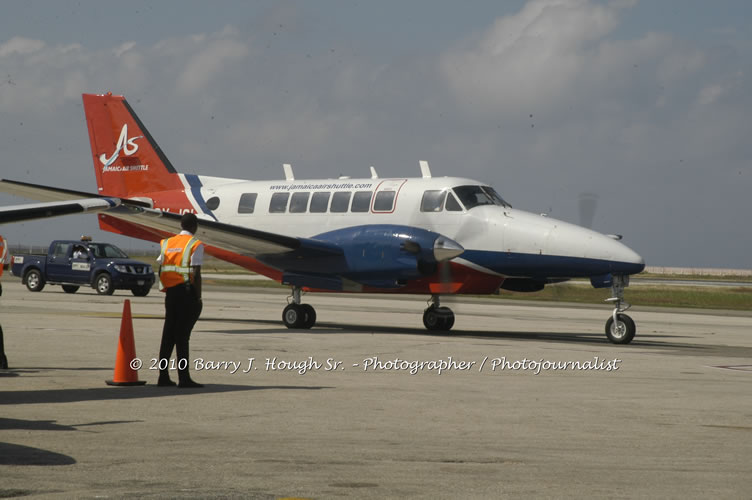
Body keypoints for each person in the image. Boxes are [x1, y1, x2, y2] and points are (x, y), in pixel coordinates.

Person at [156, 213, 204, 388]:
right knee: (182, 337)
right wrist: (198, 297)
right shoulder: (195, 244)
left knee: (168, 335)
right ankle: (184, 378)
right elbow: (196, 272)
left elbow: (161, 265)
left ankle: (163, 376)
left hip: (171, 294)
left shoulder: (167, 243)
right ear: (195, 227)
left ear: (181, 225)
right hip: (186, 293)